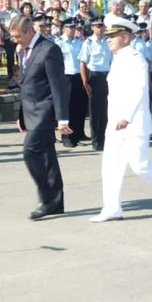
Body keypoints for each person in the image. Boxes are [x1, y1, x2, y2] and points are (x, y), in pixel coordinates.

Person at [89, 17, 152, 222]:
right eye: (108, 36)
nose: (108, 40)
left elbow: (139, 90)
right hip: (115, 122)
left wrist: (126, 116)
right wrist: (116, 118)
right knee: (111, 165)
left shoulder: (135, 58)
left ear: (125, 37)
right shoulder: (118, 58)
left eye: (112, 36)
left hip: (133, 122)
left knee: (139, 165)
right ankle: (112, 207)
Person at [10, 15, 70, 220]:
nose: (14, 40)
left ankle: (47, 199)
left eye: (17, 36)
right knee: (46, 157)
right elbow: (27, 85)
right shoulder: (26, 50)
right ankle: (55, 202)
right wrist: (21, 116)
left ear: (28, 32)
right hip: (31, 113)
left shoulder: (49, 50)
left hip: (45, 113)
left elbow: (58, 86)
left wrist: (62, 119)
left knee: (30, 151)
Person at [80, 16, 112, 151]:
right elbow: (83, 63)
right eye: (97, 26)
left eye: (102, 25)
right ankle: (96, 141)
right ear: (92, 27)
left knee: (106, 110)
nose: (100, 28)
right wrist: (85, 81)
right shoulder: (88, 43)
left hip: (107, 76)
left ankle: (106, 139)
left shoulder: (109, 41)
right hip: (94, 76)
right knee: (95, 111)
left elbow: (112, 61)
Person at [57, 18, 87, 147]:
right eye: (70, 27)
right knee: (67, 108)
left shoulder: (78, 42)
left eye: (74, 28)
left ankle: (77, 134)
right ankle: (66, 137)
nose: (73, 30)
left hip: (78, 77)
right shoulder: (59, 43)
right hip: (65, 77)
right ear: (63, 28)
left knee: (78, 108)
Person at [0, 0, 20, 88]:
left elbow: (19, 22)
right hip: (8, 38)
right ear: (3, 2)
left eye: (9, 0)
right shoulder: (1, 13)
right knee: (10, 58)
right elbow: (2, 25)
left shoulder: (16, 11)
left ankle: (20, 75)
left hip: (18, 37)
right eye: (6, 1)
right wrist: (11, 33)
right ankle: (11, 76)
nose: (8, 2)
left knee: (19, 56)